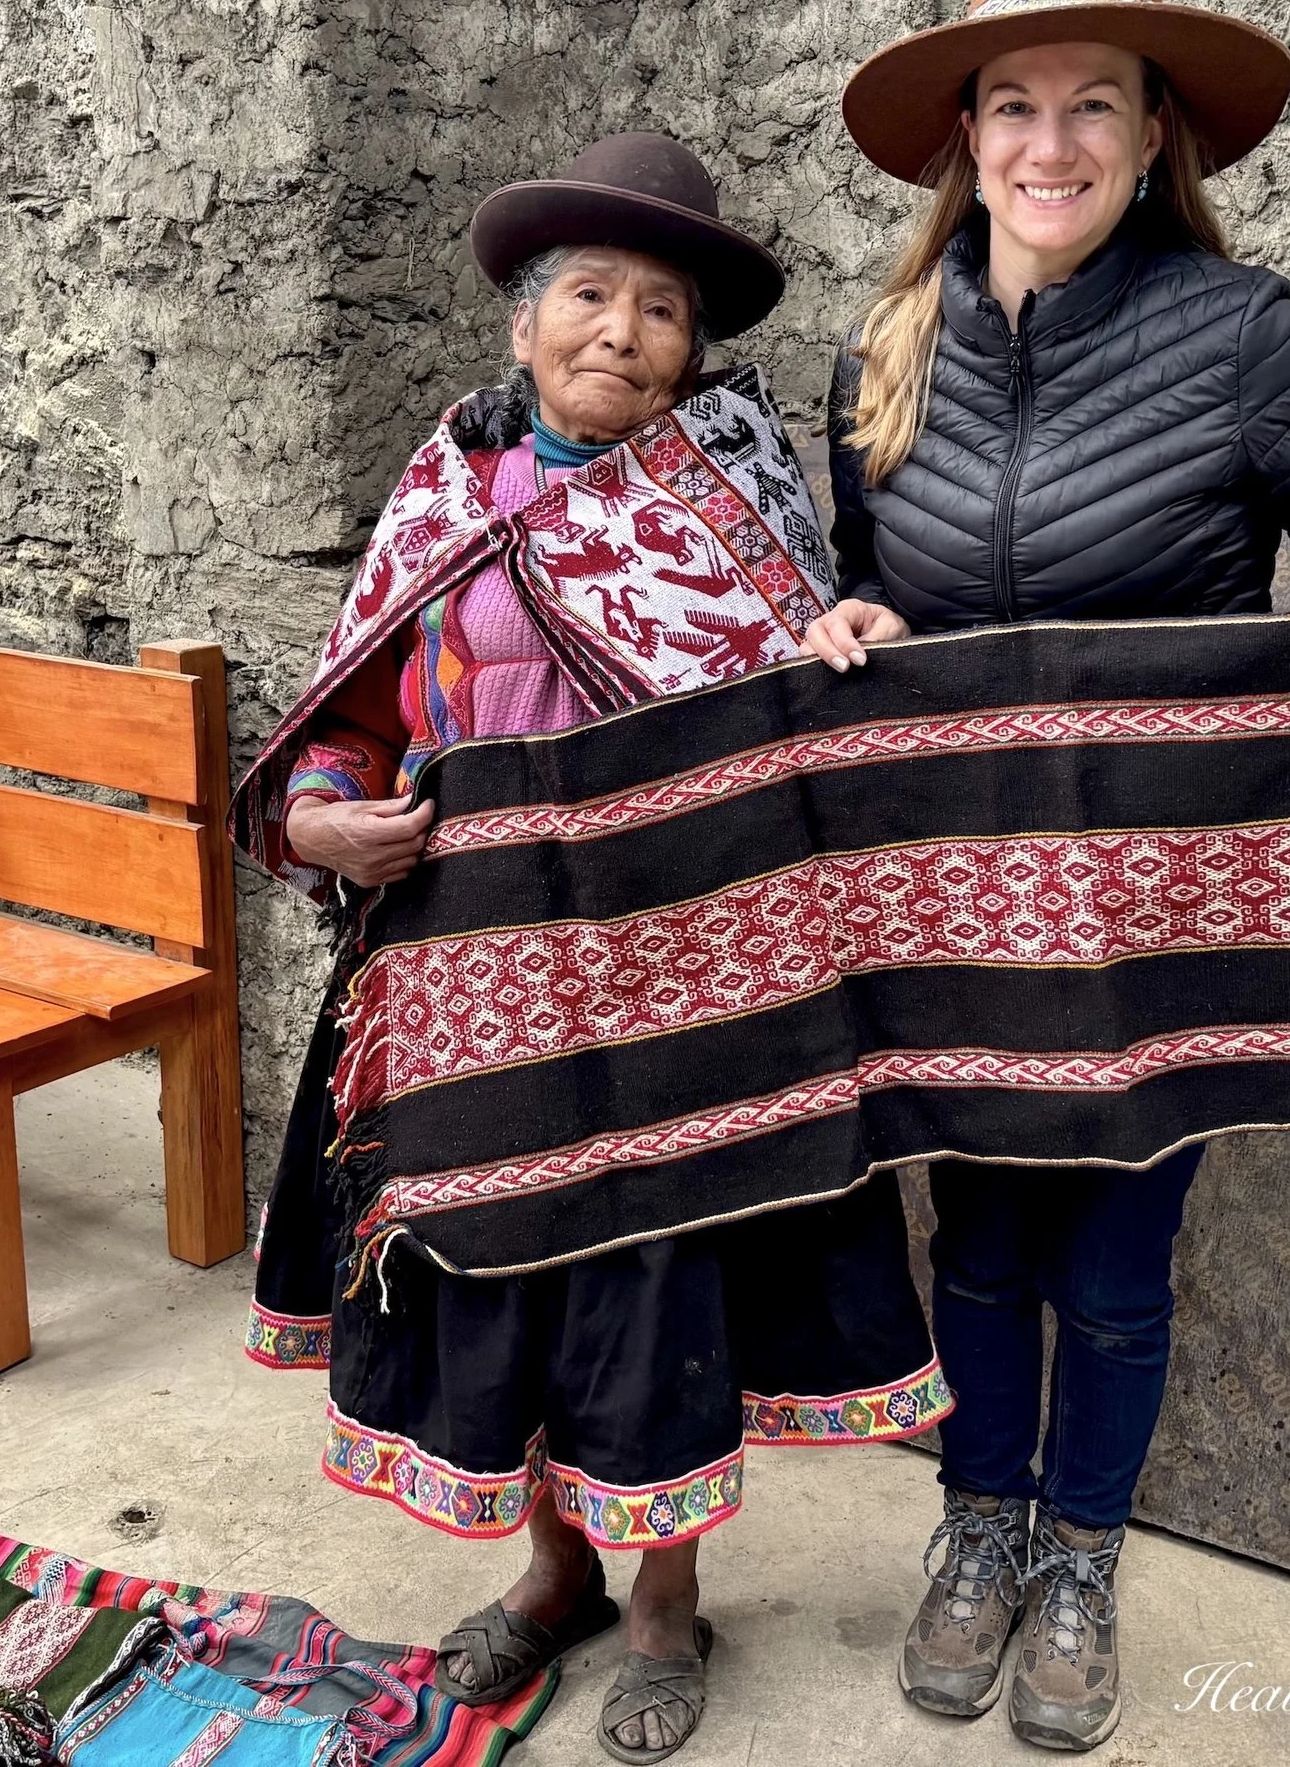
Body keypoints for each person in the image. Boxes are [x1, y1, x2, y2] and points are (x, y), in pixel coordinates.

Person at [810, 0, 1290, 1753]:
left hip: (1158, 907)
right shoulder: (891, 349)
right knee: (983, 1244)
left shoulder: (1236, 337)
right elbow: (869, 574)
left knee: (1109, 1258)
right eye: (1014, 105)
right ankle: (978, 1526)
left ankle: (1081, 1554)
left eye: (1094, 103)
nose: (1050, 140)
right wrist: (852, 618)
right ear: (965, 137)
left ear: (1154, 128)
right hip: (955, 892)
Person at [231, 134, 948, 1765]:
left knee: (653, 1287)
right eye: (590, 294)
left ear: (696, 348)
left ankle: (666, 1603)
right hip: (468, 971)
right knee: (499, 1278)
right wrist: (328, 819)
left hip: (671, 979)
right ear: (522, 320)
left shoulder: (736, 506)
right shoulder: (443, 496)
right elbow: (344, 725)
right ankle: (552, 1574)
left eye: (663, 309)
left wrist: (842, 648)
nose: (622, 331)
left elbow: (808, 729)